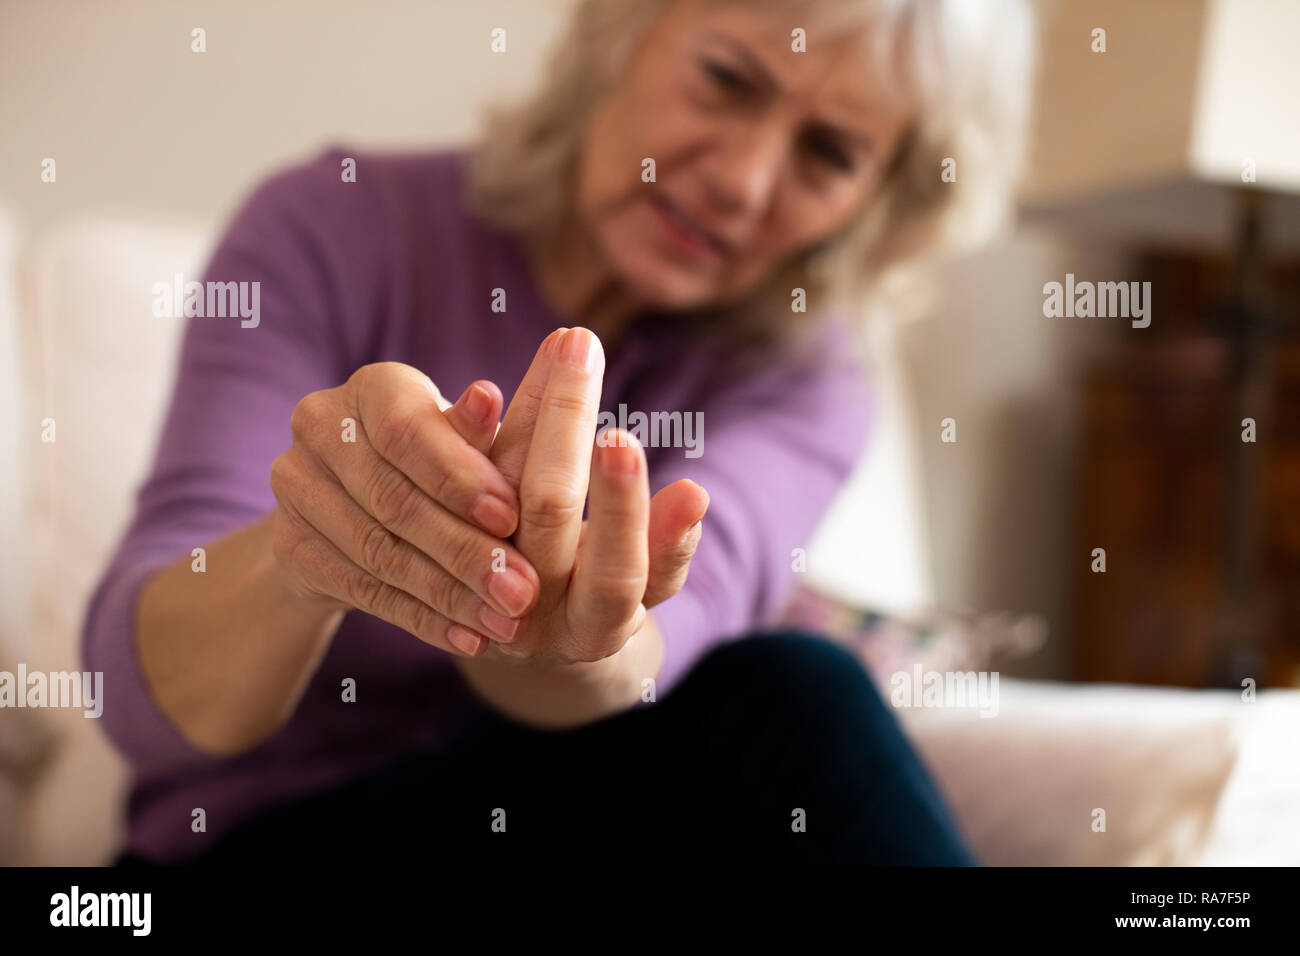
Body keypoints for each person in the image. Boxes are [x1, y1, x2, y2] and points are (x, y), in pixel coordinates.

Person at [89, 0, 1033, 865]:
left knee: (785, 688)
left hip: (567, 806)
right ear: (619, 31)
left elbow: (667, 645)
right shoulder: (330, 223)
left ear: (880, 203)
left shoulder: (808, 379)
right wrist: (309, 554)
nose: (743, 183)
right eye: (729, 79)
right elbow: (140, 709)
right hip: (254, 846)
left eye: (829, 153)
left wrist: (557, 628)